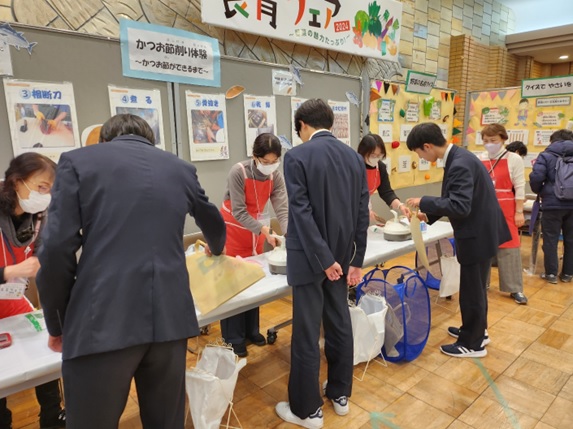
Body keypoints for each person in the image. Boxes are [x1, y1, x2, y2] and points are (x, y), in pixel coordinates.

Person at [35, 114, 226, 429]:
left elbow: (55, 249)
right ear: (149, 140)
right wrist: (216, 249)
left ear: (105, 140)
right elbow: (215, 226)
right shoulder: (180, 168)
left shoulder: (78, 162)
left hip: (103, 321)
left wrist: (57, 322)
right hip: (170, 319)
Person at [275, 99, 369, 428]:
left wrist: (323, 259)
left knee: (306, 332)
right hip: (343, 258)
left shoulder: (297, 156)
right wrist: (355, 260)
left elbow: (300, 212)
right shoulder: (354, 158)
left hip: (310, 259)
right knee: (339, 322)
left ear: (302, 124)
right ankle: (340, 393)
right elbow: (362, 213)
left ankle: (307, 409)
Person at [405, 123, 510, 358]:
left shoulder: (460, 163)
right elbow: (454, 198)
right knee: (475, 288)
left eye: (419, 153)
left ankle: (472, 344)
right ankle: (476, 331)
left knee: (472, 290)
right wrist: (428, 215)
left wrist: (424, 200)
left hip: (477, 235)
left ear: (427, 146)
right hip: (480, 231)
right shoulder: (459, 157)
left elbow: (460, 206)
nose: (421, 157)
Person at [0, 153, 65, 429]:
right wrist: (9, 272)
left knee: (45, 357)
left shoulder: (37, 217)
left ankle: (53, 415)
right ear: (17, 182)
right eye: (41, 187)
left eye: (51, 189)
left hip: (14, 301)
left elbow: (44, 254)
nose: (46, 195)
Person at [220, 133, 288, 357]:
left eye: (274, 162)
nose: (270, 166)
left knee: (253, 280)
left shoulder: (275, 177)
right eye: (265, 162)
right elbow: (239, 211)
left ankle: (251, 330)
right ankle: (233, 338)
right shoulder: (238, 172)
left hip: (257, 230)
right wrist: (263, 230)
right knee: (234, 284)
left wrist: (288, 235)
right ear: (255, 157)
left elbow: (282, 208)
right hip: (234, 228)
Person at [479, 124, 527, 305]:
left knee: (510, 247)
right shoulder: (480, 158)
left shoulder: (513, 158)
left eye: (493, 141)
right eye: (485, 141)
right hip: (484, 206)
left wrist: (519, 211)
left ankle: (515, 288)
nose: (489, 144)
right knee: (483, 246)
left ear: (503, 140)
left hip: (507, 206)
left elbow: (520, 186)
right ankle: (482, 284)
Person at [529, 129, 573, 284]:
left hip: (552, 204)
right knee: (570, 239)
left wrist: (541, 191)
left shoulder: (546, 155)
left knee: (550, 239)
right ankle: (568, 273)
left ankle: (551, 274)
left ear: (553, 141)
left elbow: (537, 177)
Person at [357, 133, 411, 221]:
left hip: (366, 204)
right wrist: (362, 209)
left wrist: (400, 205)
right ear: (363, 152)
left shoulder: (380, 167)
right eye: (373, 155)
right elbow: (347, 194)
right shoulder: (353, 166)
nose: (376, 158)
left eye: (380, 155)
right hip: (350, 207)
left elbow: (386, 192)